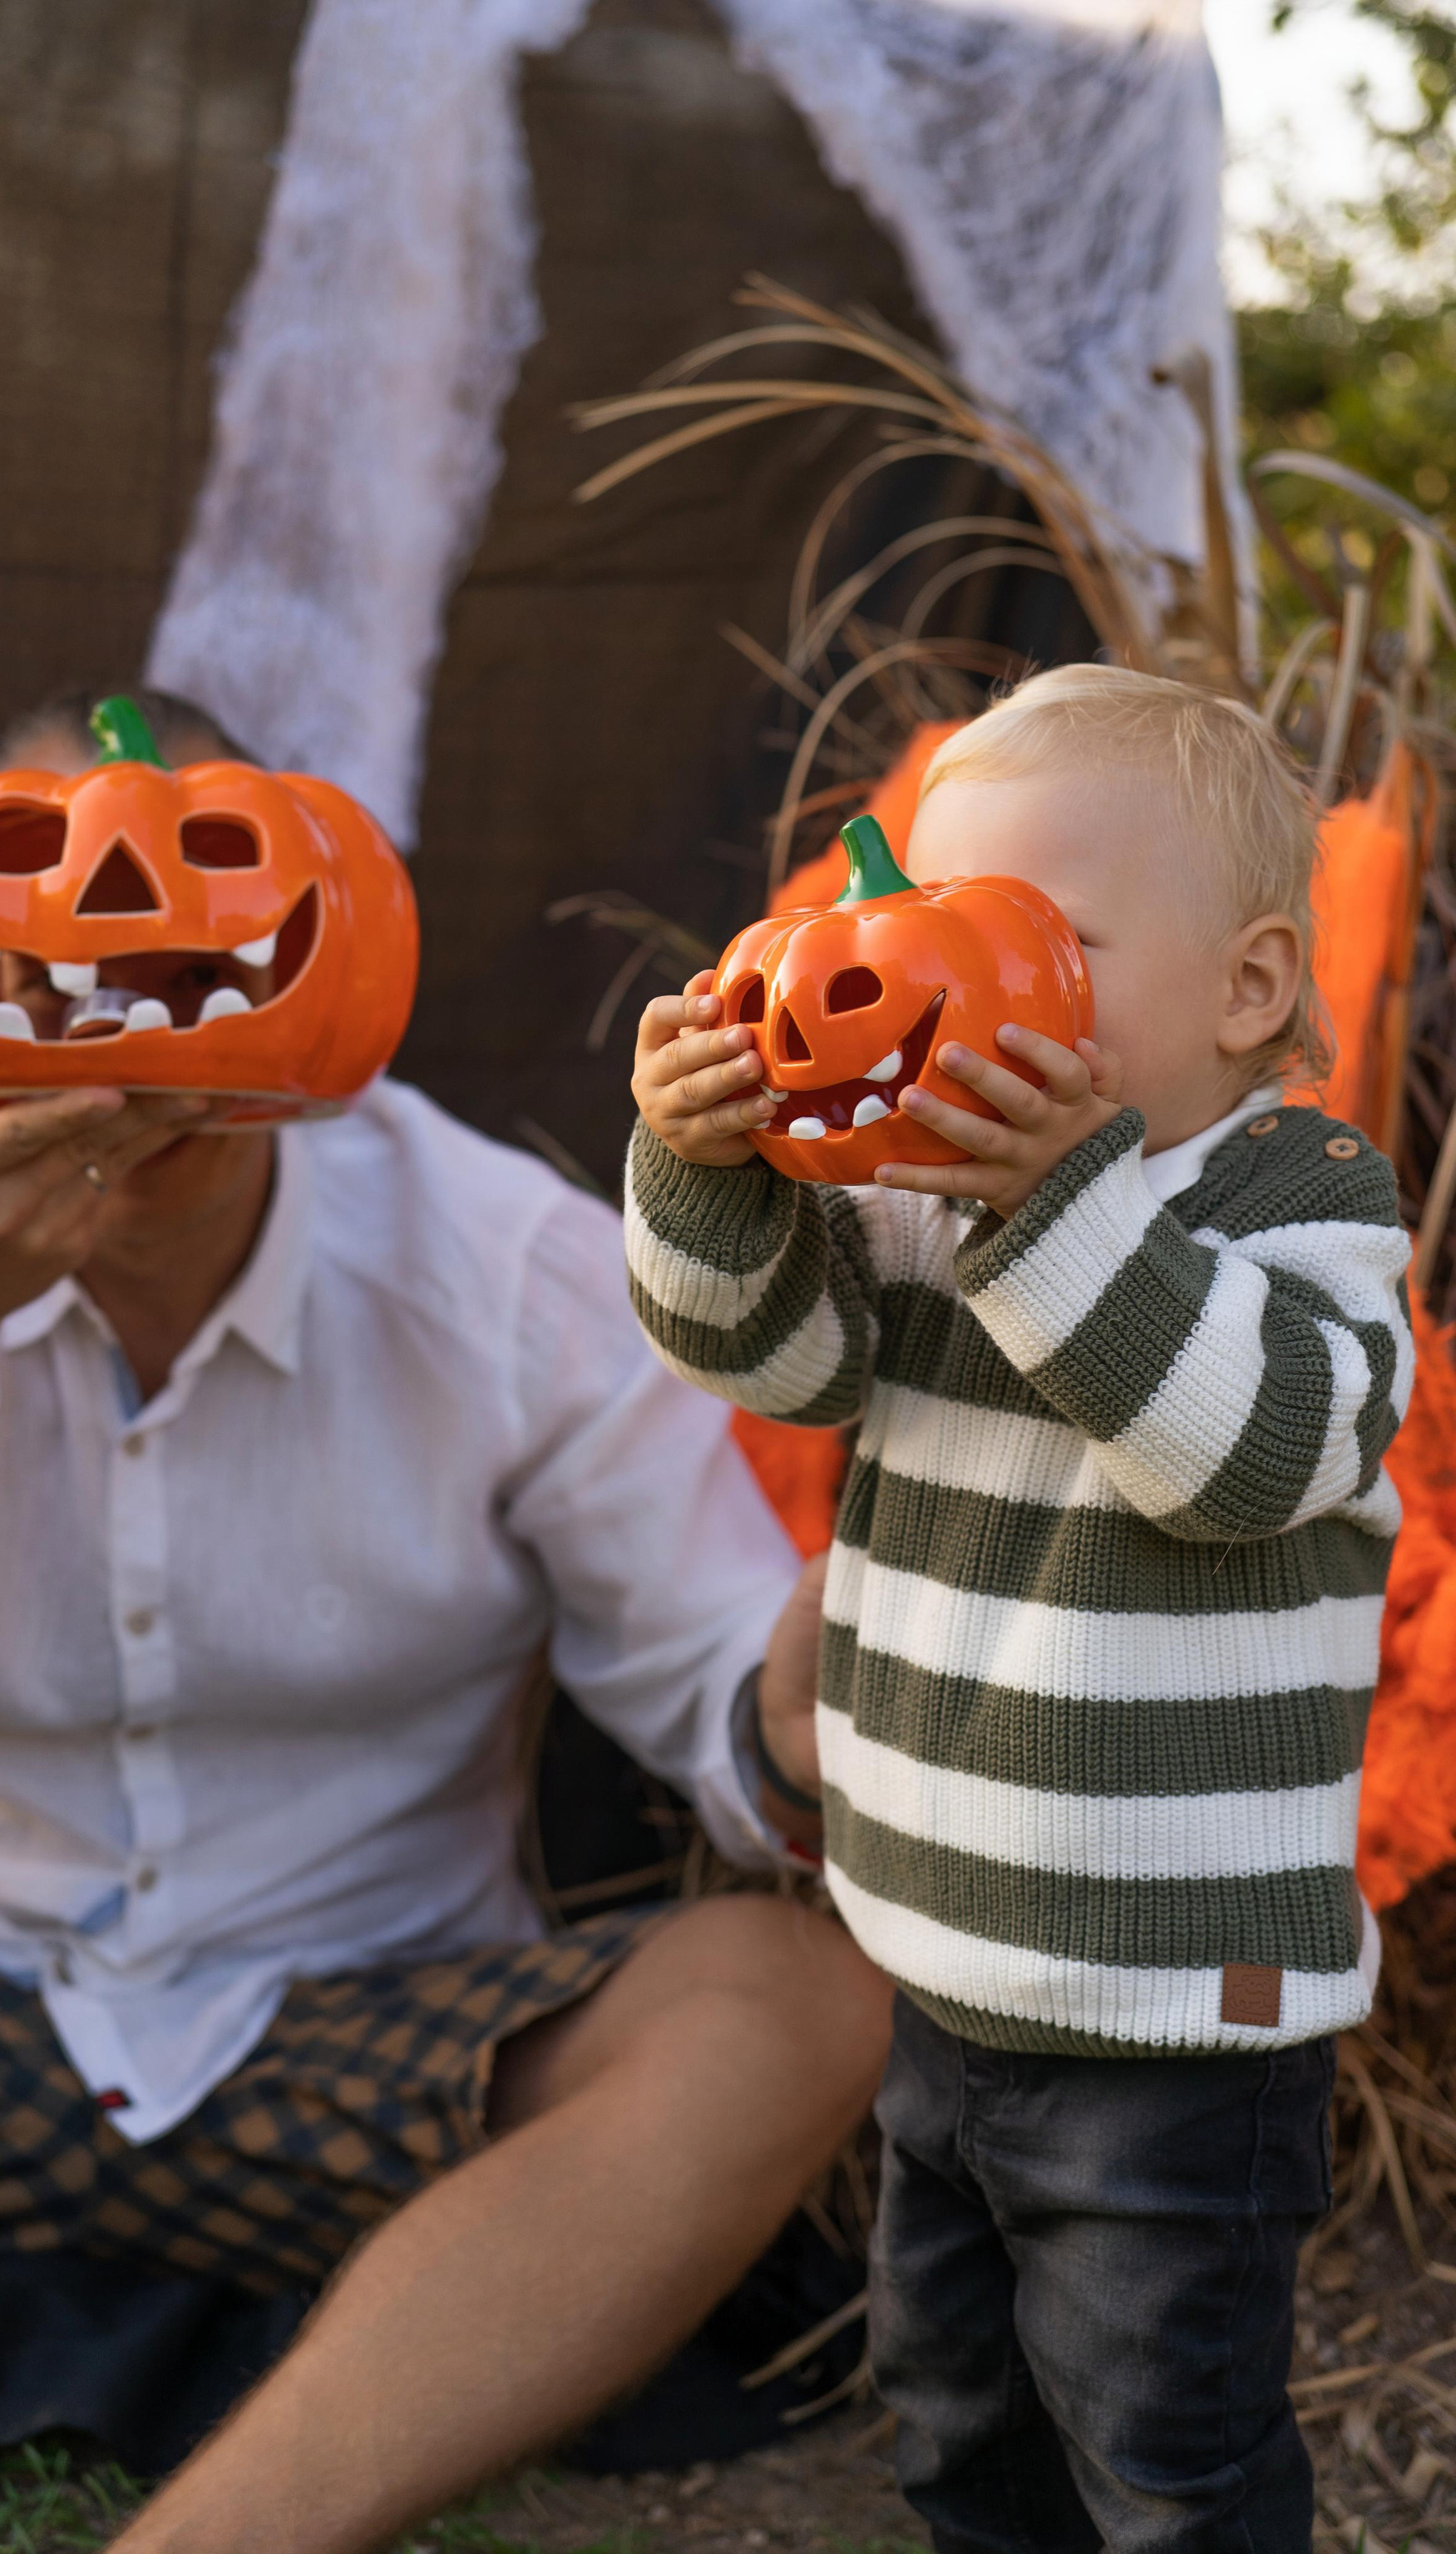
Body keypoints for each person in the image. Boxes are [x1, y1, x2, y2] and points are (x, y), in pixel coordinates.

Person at [0, 685, 891, 2554]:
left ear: (310, 975)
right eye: (57, 974)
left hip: (359, 2040)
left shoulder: (507, 1265)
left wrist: (783, 1740)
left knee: (791, 1999)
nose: (129, 1048)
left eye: (191, 969)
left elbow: (712, 1683)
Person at [626, 663, 1413, 2554]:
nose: (938, 973)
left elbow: (1248, 1453)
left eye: (1035, 938)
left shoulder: (1305, 1205)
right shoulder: (910, 1206)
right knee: (962, 2421)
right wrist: (706, 1171)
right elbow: (775, 1362)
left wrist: (1054, 1209)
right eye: (924, 921)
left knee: (1166, 2455)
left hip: (1178, 2008)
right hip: (943, 1959)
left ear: (1248, 988)